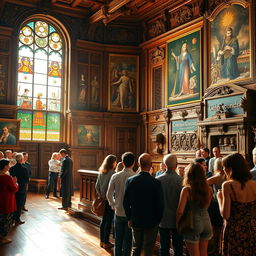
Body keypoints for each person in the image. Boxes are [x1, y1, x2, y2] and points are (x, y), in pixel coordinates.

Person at [123, 153, 164, 256]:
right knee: (148, 248)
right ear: (151, 164)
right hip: (151, 221)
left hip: (135, 219)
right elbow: (160, 204)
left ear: (138, 164)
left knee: (136, 247)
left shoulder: (130, 181)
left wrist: (129, 218)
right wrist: (157, 220)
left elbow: (126, 202)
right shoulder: (156, 183)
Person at [217, 153, 256, 256]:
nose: (224, 170)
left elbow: (226, 215)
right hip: (252, 228)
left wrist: (219, 199)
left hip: (235, 230)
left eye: (225, 167)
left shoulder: (228, 185)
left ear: (231, 168)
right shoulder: (254, 184)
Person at [176, 163, 213, 256]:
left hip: (193, 222)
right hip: (206, 221)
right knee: (204, 253)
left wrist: (178, 224)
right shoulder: (209, 189)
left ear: (188, 174)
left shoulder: (187, 190)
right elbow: (206, 207)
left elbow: (180, 211)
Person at [106, 152, 135, 256]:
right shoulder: (135, 176)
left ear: (122, 163)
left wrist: (114, 205)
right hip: (130, 214)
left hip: (118, 212)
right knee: (128, 241)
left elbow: (108, 194)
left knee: (118, 240)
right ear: (134, 163)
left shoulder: (115, 176)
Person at [156, 154, 183, 256]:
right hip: (178, 219)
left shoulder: (158, 180)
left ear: (165, 165)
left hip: (163, 218)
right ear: (176, 165)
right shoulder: (181, 181)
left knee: (164, 246)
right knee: (178, 247)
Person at [95, 154, 117, 249]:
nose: (116, 163)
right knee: (108, 221)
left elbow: (96, 186)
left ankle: (102, 241)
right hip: (109, 200)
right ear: (112, 163)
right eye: (115, 161)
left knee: (103, 221)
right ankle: (106, 242)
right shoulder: (113, 173)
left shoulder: (101, 172)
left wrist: (101, 195)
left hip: (103, 199)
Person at [207, 158, 225, 256]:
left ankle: (216, 248)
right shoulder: (226, 175)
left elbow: (203, 183)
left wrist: (209, 193)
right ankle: (221, 247)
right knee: (222, 226)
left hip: (215, 203)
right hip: (225, 202)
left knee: (215, 228)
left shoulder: (217, 176)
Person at [0, 159, 18, 245]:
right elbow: (13, 189)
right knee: (6, 219)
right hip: (6, 200)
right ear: (4, 167)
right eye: (7, 165)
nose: (9, 166)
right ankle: (3, 238)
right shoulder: (6, 177)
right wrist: (15, 183)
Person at [9, 153, 29, 225]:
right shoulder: (24, 169)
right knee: (19, 204)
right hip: (21, 188)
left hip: (13, 188)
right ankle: (17, 219)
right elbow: (27, 180)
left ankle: (12, 219)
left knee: (13, 203)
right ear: (21, 159)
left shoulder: (11, 168)